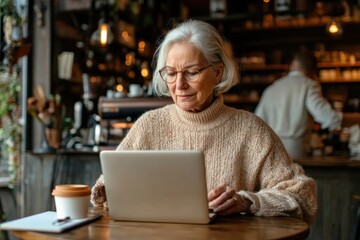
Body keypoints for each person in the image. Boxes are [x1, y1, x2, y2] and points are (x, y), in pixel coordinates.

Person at [91, 19, 317, 223]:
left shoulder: (251, 130)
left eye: (191, 72)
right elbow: (105, 190)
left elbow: (303, 196)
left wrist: (249, 201)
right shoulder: (149, 125)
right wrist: (108, 192)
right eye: (170, 73)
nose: (179, 85)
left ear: (217, 73)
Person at [255, 50, 343, 159]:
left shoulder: (272, 88)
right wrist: (339, 123)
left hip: (270, 151)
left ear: (292, 66)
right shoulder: (308, 84)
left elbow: (257, 122)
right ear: (313, 72)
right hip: (296, 150)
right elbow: (325, 115)